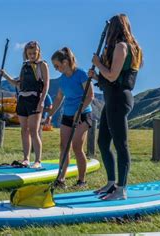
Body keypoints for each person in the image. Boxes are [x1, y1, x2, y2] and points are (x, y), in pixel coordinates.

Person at [88, 14, 143, 200]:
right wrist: (97, 77)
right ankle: (112, 183)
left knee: (121, 144)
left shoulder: (121, 46)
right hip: (112, 98)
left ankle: (122, 189)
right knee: (103, 142)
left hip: (119, 99)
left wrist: (98, 64)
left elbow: (112, 75)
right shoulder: (130, 47)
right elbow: (114, 77)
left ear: (114, 28)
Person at [47, 47, 94, 189]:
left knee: (77, 147)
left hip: (83, 115)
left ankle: (81, 181)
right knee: (64, 147)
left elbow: (90, 95)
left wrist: (79, 112)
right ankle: (60, 180)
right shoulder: (62, 80)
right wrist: (49, 115)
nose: (56, 69)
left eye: (57, 65)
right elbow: (59, 98)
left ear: (66, 62)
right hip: (67, 115)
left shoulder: (81, 74)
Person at [0, 41, 50, 168]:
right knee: (24, 130)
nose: (32, 55)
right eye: (30, 53)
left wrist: (42, 101)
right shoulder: (25, 65)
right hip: (22, 100)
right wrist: (5, 75)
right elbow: (18, 84)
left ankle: (38, 160)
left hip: (35, 100)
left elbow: (46, 85)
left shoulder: (42, 65)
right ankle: (26, 158)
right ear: (26, 54)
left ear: (38, 52)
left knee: (34, 130)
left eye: (34, 53)